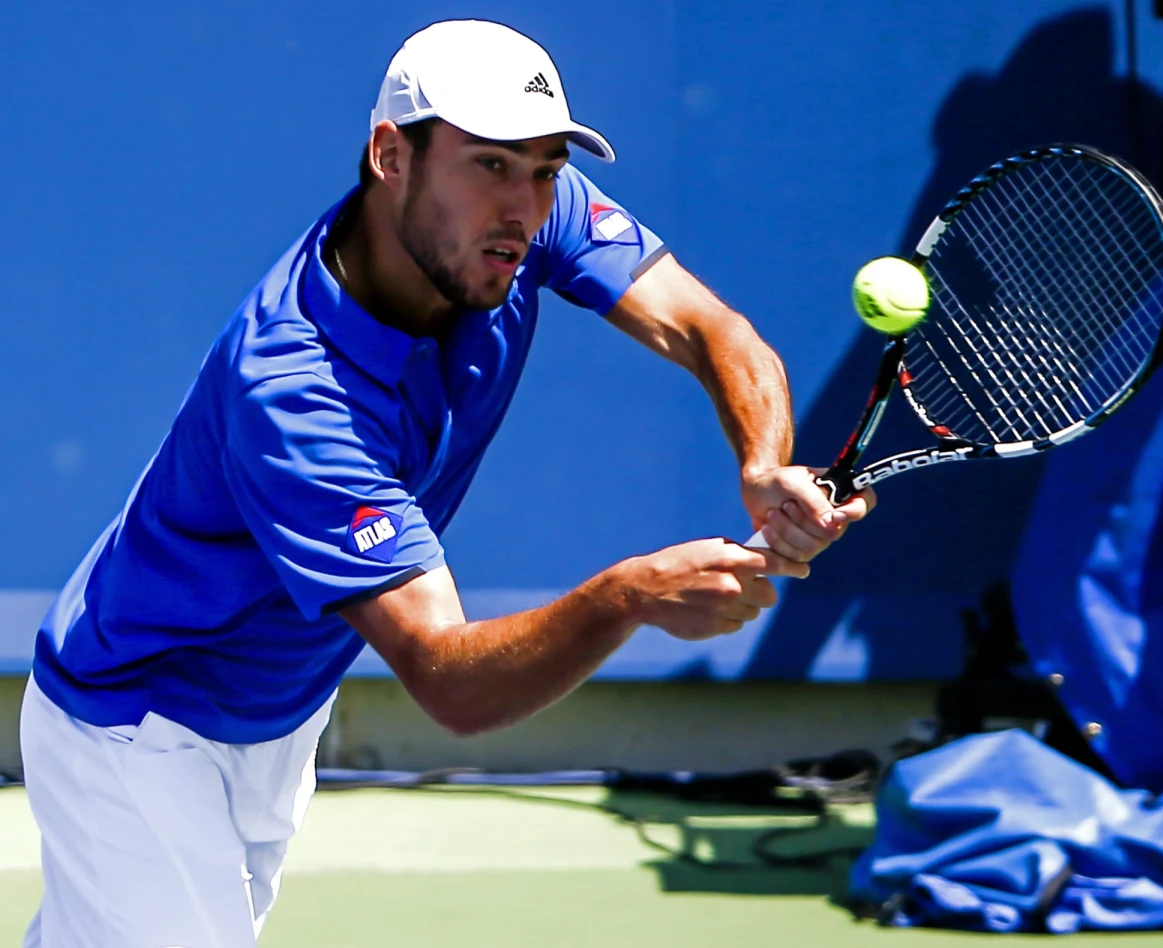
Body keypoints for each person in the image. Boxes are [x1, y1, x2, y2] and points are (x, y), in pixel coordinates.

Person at [19, 18, 874, 947]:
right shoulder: (295, 395)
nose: (526, 204)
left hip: (274, 717)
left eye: (546, 169)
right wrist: (626, 598)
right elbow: (450, 682)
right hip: (143, 727)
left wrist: (763, 462)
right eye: (492, 165)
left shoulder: (513, 223)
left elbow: (714, 333)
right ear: (391, 153)